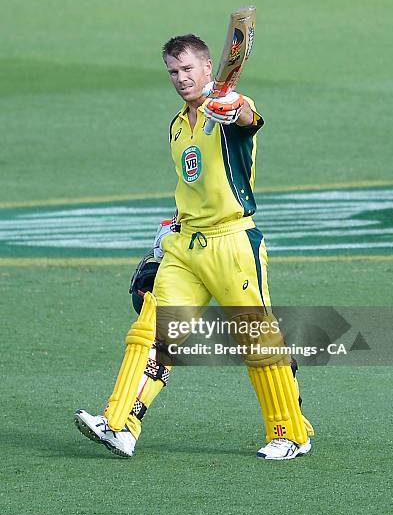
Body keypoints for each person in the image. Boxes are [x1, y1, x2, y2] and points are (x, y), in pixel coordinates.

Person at [74, 34, 314, 460]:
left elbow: (247, 117)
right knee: (151, 330)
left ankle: (291, 433)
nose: (180, 78)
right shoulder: (176, 125)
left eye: (188, 69)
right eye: (173, 71)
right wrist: (171, 227)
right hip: (186, 247)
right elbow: (192, 184)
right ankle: (119, 424)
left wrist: (234, 106)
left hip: (231, 242)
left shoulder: (228, 112)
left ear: (208, 68)